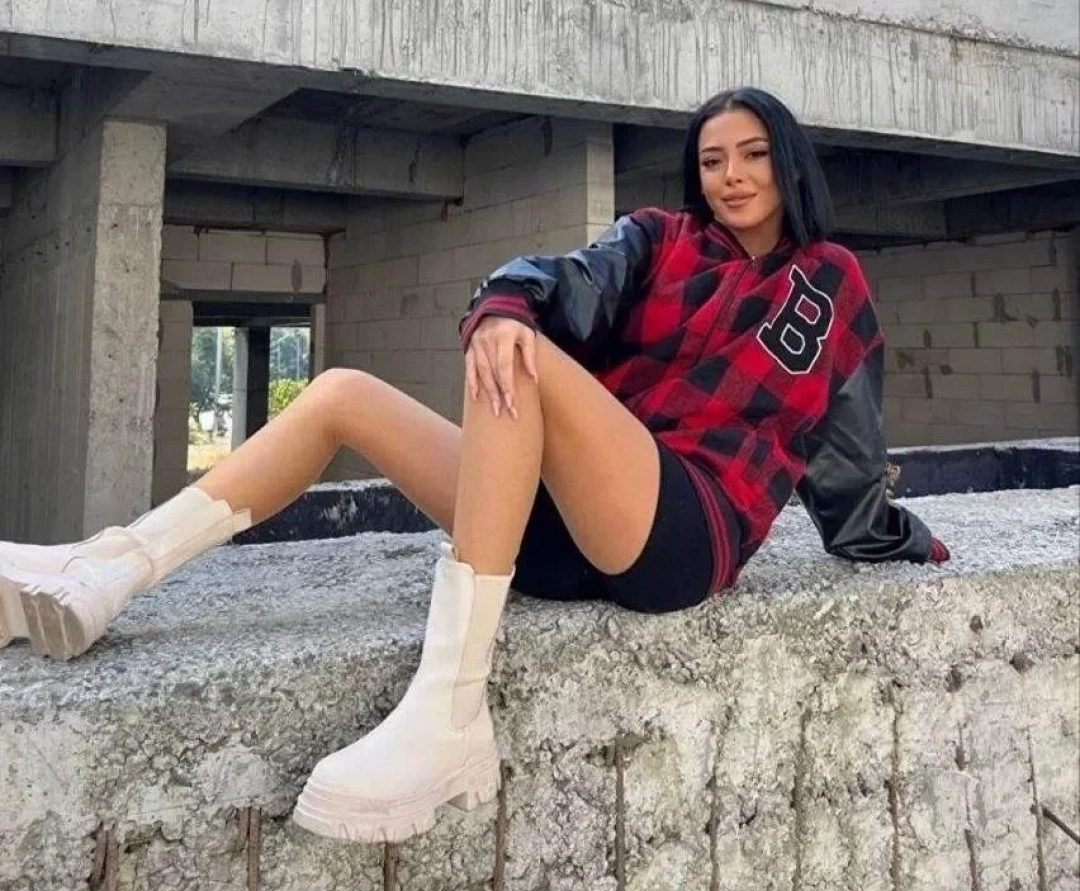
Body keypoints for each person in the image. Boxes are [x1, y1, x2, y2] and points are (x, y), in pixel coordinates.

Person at [0, 86, 949, 844]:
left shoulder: (832, 279)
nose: (731, 176)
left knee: (521, 354)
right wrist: (506, 300)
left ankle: (451, 716)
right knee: (341, 391)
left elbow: (848, 450)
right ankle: (111, 569)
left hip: (680, 531)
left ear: (789, 161)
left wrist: (889, 536)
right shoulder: (661, 239)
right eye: (711, 160)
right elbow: (571, 277)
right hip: (554, 533)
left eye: (752, 155)